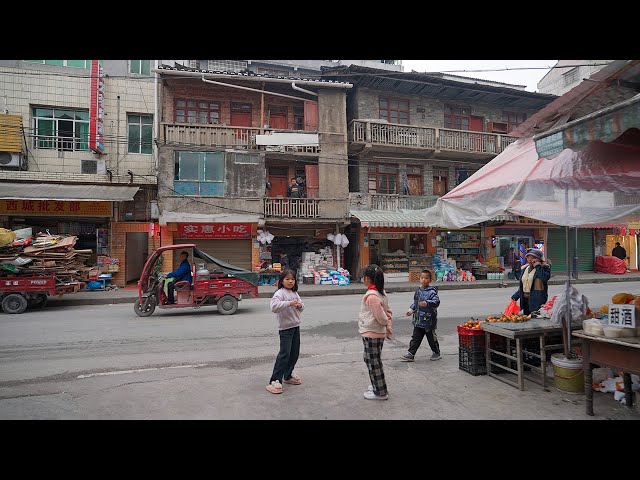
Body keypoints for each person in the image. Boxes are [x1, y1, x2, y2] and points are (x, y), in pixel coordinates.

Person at [266, 269, 305, 394]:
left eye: (292, 279)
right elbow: (274, 307)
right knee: (284, 354)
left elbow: (302, 306)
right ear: (282, 281)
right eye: (287, 279)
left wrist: (300, 305)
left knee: (294, 353)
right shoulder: (280, 293)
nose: (290, 281)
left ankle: (287, 375)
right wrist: (288, 303)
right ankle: (275, 380)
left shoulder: (294, 293)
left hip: (295, 326)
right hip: (285, 329)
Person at [358, 264, 392, 401]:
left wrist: (385, 323)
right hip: (375, 332)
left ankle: (380, 391)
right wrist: (387, 325)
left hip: (372, 332)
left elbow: (382, 316)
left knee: (373, 362)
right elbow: (388, 311)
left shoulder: (372, 296)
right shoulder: (380, 292)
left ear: (367, 278)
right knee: (371, 360)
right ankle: (377, 385)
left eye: (364, 277)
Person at [401, 269, 441, 362]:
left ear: (430, 280)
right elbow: (415, 303)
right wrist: (411, 310)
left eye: (426, 278)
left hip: (429, 321)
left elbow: (436, 302)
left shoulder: (432, 292)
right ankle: (411, 353)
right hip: (418, 320)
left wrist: (427, 303)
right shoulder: (418, 291)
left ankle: (436, 352)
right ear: (419, 279)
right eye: (422, 278)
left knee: (431, 338)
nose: (424, 280)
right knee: (415, 338)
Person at [511, 248, 551, 315]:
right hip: (525, 300)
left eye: (532, 258)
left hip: (537, 300)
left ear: (539, 259)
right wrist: (516, 296)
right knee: (526, 319)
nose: (530, 260)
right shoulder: (525, 269)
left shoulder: (544, 268)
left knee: (535, 322)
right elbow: (523, 285)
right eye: (528, 257)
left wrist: (538, 266)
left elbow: (544, 278)